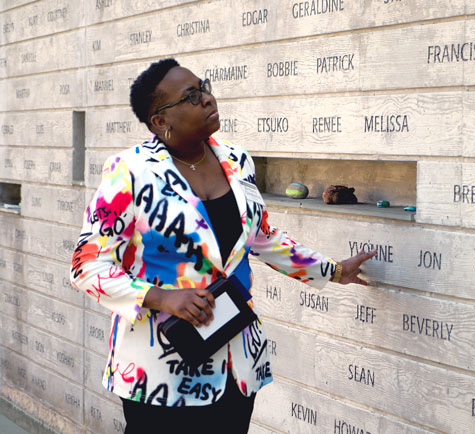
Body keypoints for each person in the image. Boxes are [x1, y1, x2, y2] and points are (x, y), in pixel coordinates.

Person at [70, 58, 376, 433]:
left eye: (205, 87)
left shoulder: (236, 160)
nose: (208, 100)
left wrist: (334, 271)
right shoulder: (131, 172)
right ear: (160, 121)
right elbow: (87, 266)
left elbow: (261, 237)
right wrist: (163, 298)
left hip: (236, 363)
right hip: (160, 372)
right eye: (192, 96)